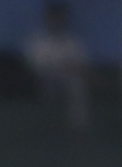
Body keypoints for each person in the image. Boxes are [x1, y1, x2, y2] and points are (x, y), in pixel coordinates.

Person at [24, 1, 89, 130]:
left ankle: (78, 127)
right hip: (43, 79)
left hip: (67, 79)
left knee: (76, 85)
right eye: (54, 17)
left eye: (61, 18)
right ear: (48, 19)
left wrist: (68, 69)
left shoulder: (72, 42)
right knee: (48, 84)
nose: (58, 21)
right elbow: (35, 66)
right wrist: (58, 69)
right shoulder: (38, 41)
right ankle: (45, 124)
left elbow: (81, 65)